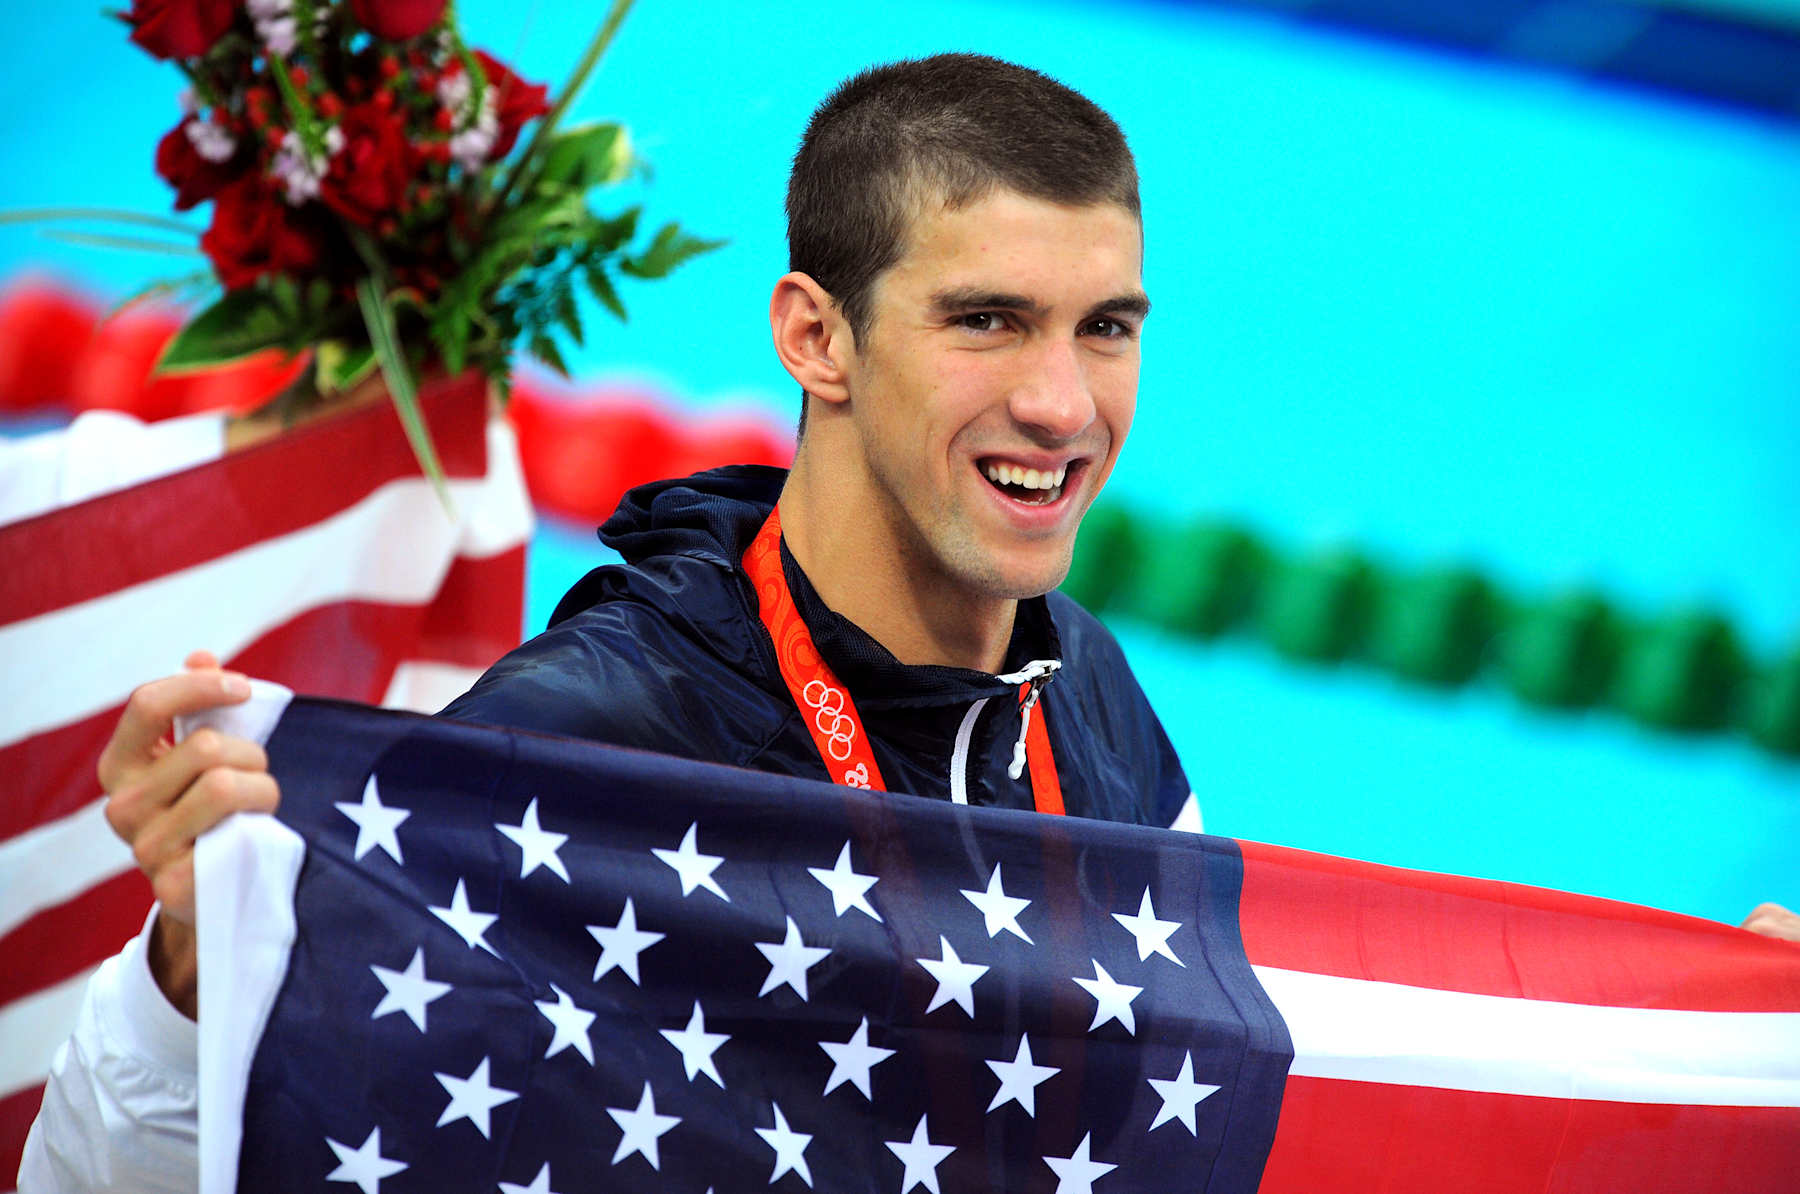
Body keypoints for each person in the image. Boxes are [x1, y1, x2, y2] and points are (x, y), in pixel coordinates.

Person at [20, 53, 1205, 1190]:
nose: (1061, 405)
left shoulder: (1091, 697)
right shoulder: (579, 746)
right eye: (987, 321)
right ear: (815, 338)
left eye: (1105, 327)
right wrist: (195, 978)